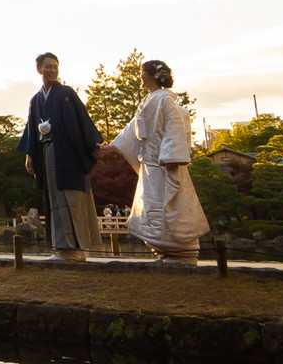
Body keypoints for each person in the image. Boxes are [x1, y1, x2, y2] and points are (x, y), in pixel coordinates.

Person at [111, 58, 210, 262]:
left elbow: (174, 126)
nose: (140, 77)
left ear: (150, 75)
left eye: (142, 72)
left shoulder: (164, 100)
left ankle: (179, 252)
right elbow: (130, 131)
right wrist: (110, 147)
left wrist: (173, 157)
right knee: (153, 208)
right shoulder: (149, 100)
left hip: (164, 164)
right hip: (150, 166)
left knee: (170, 207)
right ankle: (163, 252)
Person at [18, 52, 104, 262]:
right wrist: (30, 155)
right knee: (55, 201)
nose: (53, 70)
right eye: (48, 66)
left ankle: (75, 249)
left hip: (69, 154)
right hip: (47, 152)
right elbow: (31, 128)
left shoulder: (66, 93)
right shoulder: (36, 100)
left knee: (72, 198)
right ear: (39, 69)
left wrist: (95, 143)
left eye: (56, 66)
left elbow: (83, 120)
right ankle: (61, 248)